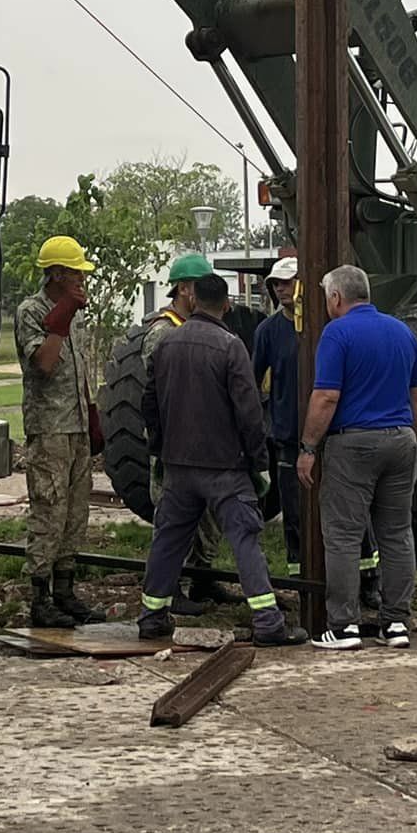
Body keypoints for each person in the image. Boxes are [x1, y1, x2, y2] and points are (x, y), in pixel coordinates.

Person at [136, 270, 307, 646]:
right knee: (244, 539)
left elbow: (149, 403)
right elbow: (248, 412)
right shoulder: (230, 347)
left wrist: (161, 451)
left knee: (168, 540)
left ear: (193, 300)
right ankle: (267, 622)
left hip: (179, 466)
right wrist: (258, 463)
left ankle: (151, 616)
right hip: (225, 467)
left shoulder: (166, 343)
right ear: (227, 305)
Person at [297, 264, 417, 650]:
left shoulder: (337, 333)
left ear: (336, 298)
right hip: (401, 440)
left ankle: (345, 626)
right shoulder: (403, 332)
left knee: (343, 535)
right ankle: (397, 624)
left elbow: (326, 397)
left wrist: (307, 448)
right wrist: (410, 438)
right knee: (397, 533)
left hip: (353, 444)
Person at [137, 253, 241, 615]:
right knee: (173, 519)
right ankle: (171, 587)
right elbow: (156, 393)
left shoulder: (205, 327)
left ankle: (202, 574)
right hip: (174, 444)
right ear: (184, 289)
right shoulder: (163, 332)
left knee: (208, 517)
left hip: (204, 442)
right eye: (199, 285)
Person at [15, 235, 105, 628]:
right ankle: (39, 596)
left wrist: (93, 414)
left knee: (75, 514)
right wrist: (63, 313)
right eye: (75, 274)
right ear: (56, 274)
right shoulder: (31, 312)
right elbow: (46, 364)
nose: (81, 281)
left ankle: (65, 591)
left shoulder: (79, 314)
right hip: (49, 427)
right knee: (49, 511)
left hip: (77, 425)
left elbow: (80, 369)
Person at [250, 255, 304, 566]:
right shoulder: (268, 331)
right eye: (276, 283)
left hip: (328, 435)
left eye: (287, 281)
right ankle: (299, 572)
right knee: (294, 515)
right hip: (287, 435)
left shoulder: (321, 324)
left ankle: (367, 578)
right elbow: (254, 381)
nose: (281, 288)